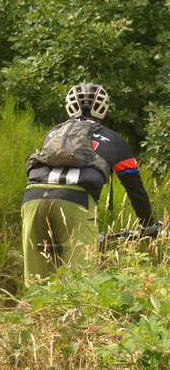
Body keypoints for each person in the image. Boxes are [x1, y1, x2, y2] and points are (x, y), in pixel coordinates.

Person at [22, 82, 157, 285]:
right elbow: (135, 189)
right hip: (75, 202)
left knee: (35, 281)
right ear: (102, 108)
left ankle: (33, 314)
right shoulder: (114, 140)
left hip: (33, 198)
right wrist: (148, 227)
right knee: (80, 282)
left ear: (69, 106)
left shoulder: (53, 133)